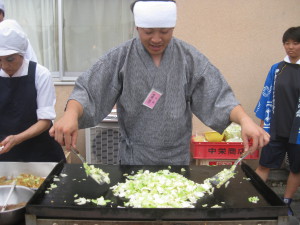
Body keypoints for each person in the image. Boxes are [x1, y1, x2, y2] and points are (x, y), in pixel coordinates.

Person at [50, 0, 269, 165]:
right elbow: (88, 89)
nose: (156, 39)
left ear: (173, 28)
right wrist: (70, 114)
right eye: (148, 32)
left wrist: (245, 120)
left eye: (164, 31)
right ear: (137, 28)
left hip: (177, 159)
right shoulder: (121, 57)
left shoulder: (189, 58)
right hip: (134, 159)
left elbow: (218, 94)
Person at [0, 20, 65, 162]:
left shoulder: (40, 74)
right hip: (5, 152)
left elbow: (45, 121)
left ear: (22, 54)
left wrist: (17, 138)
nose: (4, 65)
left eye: (10, 59)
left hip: (39, 152)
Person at [255, 26, 300, 216]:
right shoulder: (277, 69)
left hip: (297, 131)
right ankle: (253, 199)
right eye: (286, 43)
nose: (290, 47)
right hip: (275, 126)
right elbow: (266, 97)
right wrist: (262, 127)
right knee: (264, 164)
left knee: (296, 168)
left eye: (295, 43)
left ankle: (286, 203)